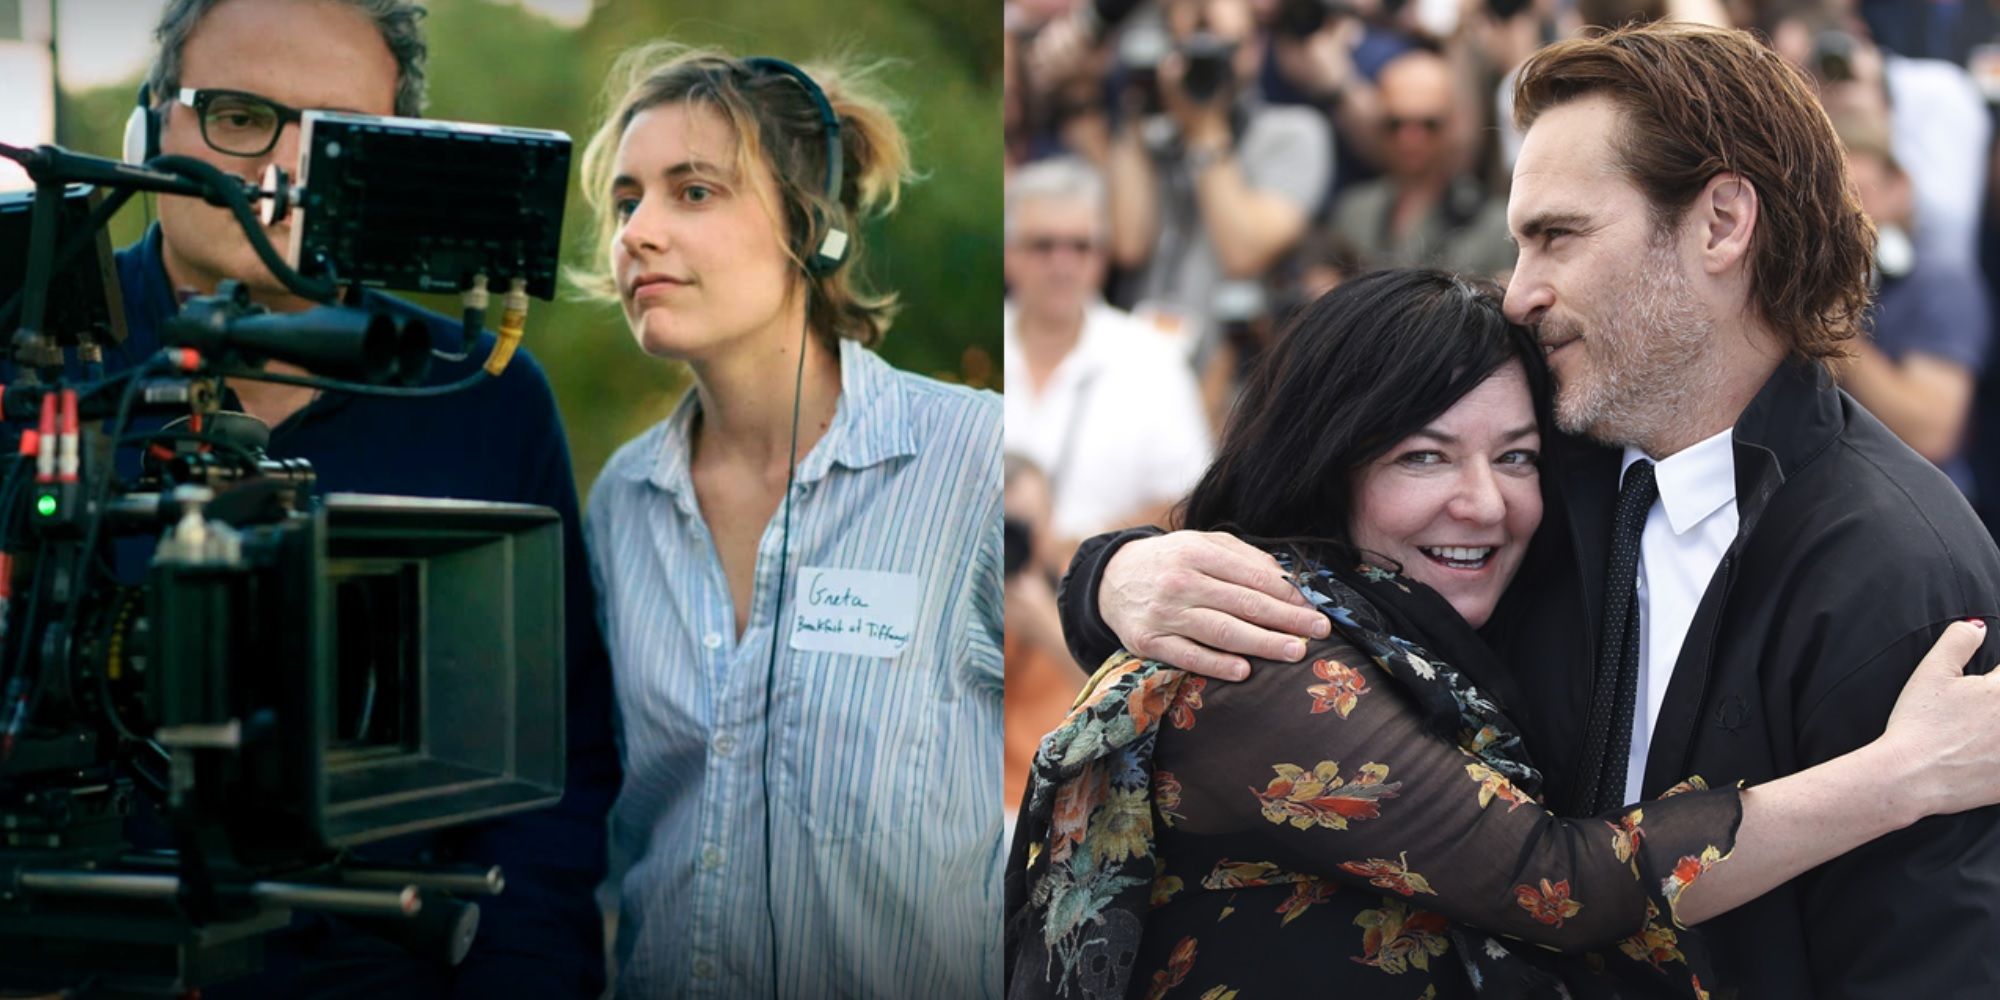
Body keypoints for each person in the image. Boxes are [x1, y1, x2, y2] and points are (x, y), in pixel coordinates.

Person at [1055, 21, 2000, 998]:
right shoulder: (1535, 465)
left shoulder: (1898, 570)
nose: (1517, 294)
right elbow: (1303, 500)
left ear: (1719, 224)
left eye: (1555, 235)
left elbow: (1928, 958)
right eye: (1516, 243)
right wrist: (1112, 577)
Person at [37, 0, 620, 995]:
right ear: (151, 126)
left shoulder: (481, 394)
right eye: (237, 115)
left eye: (336, 135)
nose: (280, 172)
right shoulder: (24, 347)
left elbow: (548, 786)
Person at [572, 44, 1003, 999]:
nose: (638, 232)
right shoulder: (619, 503)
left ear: (813, 230)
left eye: (693, 192)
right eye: (627, 200)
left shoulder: (974, 460)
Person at [1003, 155, 1212, 567]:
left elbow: (1192, 501)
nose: (1062, 265)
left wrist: (1082, 552)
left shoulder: (1153, 358)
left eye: (1080, 247)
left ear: (1102, 256)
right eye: (1043, 245)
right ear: (1010, 253)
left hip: (1104, 599)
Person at [1327, 48, 1513, 277]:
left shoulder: (1494, 225)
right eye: (1396, 124)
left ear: (1454, 124)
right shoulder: (1353, 214)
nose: (1410, 139)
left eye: (1428, 125)